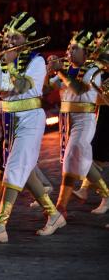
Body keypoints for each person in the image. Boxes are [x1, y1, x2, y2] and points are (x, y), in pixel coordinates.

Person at [0, 12, 66, 243]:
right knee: (24, 174)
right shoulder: (6, 60)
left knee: (14, 169)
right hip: (10, 121)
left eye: (15, 38)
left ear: (26, 39)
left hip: (30, 120)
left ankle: (1, 226)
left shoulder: (36, 61)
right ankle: (54, 215)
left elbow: (24, 86)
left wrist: (11, 66)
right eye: (8, 38)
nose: (9, 42)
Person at [47, 30, 108, 218]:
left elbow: (79, 89)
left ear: (86, 52)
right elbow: (47, 87)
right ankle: (61, 206)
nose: (69, 51)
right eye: (69, 47)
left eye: (75, 48)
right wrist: (50, 71)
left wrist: (60, 71)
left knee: (76, 156)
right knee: (71, 161)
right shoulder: (67, 68)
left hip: (84, 120)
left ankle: (104, 195)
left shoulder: (93, 70)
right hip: (67, 121)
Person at [72, 30, 109, 214]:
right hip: (104, 110)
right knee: (97, 155)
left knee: (97, 155)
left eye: (101, 39)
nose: (97, 41)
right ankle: (87, 190)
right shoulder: (99, 59)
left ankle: (103, 196)